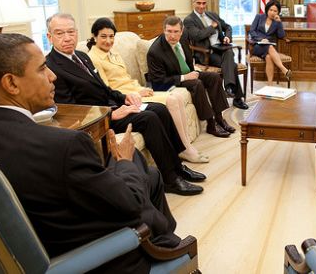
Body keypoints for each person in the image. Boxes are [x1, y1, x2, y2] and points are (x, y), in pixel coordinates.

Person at [0, 33, 188, 273]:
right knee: (135, 165)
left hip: (31, 238)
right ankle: (168, 248)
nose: (53, 76)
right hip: (95, 257)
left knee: (150, 175)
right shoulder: (63, 145)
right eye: (42, 69)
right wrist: (123, 162)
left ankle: (166, 237)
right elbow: (131, 206)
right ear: (11, 83)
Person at [45, 13, 204, 196]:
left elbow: (104, 88)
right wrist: (111, 113)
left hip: (111, 106)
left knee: (160, 108)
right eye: (59, 33)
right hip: (99, 120)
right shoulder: (52, 66)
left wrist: (124, 98)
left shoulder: (81, 56)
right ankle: (171, 179)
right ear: (50, 37)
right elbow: (72, 111)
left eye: (71, 32)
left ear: (77, 32)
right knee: (149, 118)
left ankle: (177, 166)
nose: (67, 38)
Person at [86, 17, 208, 163]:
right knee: (171, 101)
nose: (108, 41)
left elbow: (127, 79)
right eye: (103, 36)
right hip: (128, 97)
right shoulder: (93, 58)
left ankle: (186, 145)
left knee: (177, 98)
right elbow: (106, 90)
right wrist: (137, 93)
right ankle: (185, 149)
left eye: (111, 36)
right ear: (94, 37)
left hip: (136, 90)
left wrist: (141, 88)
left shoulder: (114, 53)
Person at [148, 15, 235, 138]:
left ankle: (219, 118)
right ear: (164, 30)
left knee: (214, 77)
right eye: (169, 31)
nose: (172, 36)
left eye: (176, 32)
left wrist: (193, 72)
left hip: (189, 72)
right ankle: (211, 124)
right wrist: (185, 77)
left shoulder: (183, 38)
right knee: (197, 84)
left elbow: (188, 59)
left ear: (182, 31)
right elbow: (158, 81)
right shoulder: (155, 52)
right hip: (172, 80)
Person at [183, 0, 249, 110]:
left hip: (221, 49)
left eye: (204, 3)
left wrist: (227, 37)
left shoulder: (212, 15)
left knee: (228, 53)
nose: (201, 6)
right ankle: (236, 97)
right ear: (193, 3)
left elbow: (227, 27)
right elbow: (198, 35)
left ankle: (229, 87)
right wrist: (212, 27)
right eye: (198, 3)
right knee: (232, 65)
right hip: (206, 54)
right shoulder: (189, 20)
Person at [248, 0, 292, 85]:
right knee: (270, 47)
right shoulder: (259, 17)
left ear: (278, 12)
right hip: (257, 46)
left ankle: (270, 85)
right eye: (271, 10)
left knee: (268, 57)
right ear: (267, 9)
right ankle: (284, 69)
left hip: (269, 49)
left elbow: (281, 35)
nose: (272, 12)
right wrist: (260, 39)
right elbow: (252, 31)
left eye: (275, 11)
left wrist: (279, 23)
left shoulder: (276, 22)